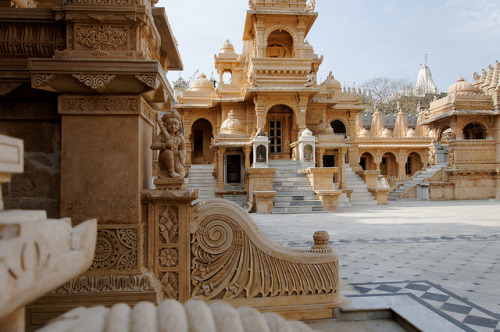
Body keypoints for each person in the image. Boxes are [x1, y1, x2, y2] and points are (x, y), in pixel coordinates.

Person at [151, 110, 186, 179]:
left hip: (176, 158)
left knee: (181, 174)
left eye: (175, 124)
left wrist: (181, 155)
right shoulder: (162, 136)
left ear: (178, 125)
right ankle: (171, 171)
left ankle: (172, 173)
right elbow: (153, 146)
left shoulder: (180, 137)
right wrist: (164, 145)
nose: (173, 127)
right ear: (165, 125)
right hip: (164, 159)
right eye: (170, 124)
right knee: (168, 152)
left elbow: (183, 148)